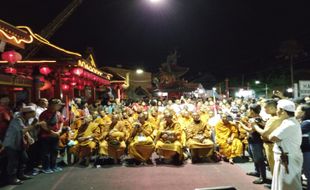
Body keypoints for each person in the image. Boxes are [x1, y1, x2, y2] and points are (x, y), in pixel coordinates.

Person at [3, 106, 46, 185]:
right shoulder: (17, 120)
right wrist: (36, 124)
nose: (33, 115)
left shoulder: (25, 120)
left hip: (20, 144)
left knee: (24, 158)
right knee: (13, 162)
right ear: (26, 113)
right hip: (11, 143)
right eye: (32, 113)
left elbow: (25, 130)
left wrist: (29, 138)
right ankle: (12, 179)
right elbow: (23, 130)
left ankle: (21, 175)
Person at [269, 99, 303, 190]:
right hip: (286, 157)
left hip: (287, 159)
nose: (276, 112)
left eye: (277, 109)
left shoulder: (289, 124)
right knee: (283, 183)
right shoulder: (289, 122)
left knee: (288, 184)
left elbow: (272, 137)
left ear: (283, 111)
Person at [252, 100, 283, 178]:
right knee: (274, 167)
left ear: (273, 108)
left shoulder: (275, 118)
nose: (264, 110)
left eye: (265, 108)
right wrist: (262, 123)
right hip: (270, 144)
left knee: (274, 167)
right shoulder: (273, 117)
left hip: (271, 145)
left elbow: (264, 133)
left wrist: (254, 125)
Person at [39, 99, 64, 174]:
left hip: (55, 135)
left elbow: (61, 122)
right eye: (58, 105)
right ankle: (46, 167)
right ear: (52, 105)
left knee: (55, 151)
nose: (60, 106)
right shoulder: (44, 114)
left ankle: (54, 166)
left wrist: (59, 131)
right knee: (46, 153)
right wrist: (51, 132)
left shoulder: (58, 113)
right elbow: (43, 125)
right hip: (45, 136)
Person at [295, 104, 310, 190]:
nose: (295, 111)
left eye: (297, 109)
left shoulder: (307, 123)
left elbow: (295, 132)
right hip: (304, 151)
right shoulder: (303, 122)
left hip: (306, 151)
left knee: (308, 173)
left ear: (303, 112)